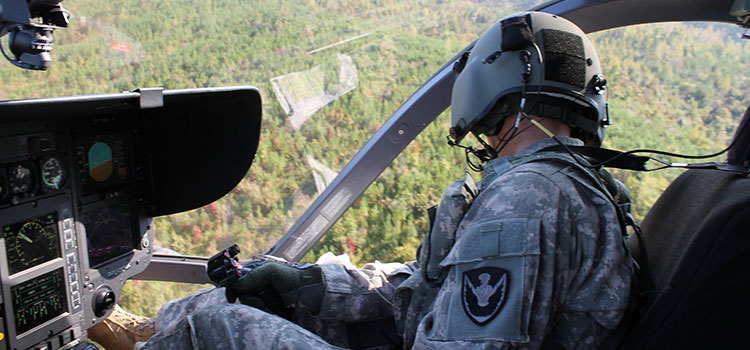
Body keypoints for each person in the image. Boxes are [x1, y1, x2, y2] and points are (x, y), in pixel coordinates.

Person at [90, 11, 635, 350]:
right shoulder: (569, 185)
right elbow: (433, 293)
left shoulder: (525, 200)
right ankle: (148, 336)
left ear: (488, 80)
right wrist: (309, 284)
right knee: (251, 302)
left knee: (214, 324)